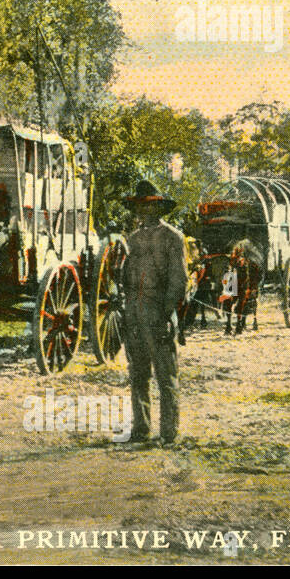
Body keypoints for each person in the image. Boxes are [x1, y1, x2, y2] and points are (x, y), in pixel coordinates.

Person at [120, 180, 188, 445]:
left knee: (166, 375)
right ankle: (141, 429)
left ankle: (169, 433)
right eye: (140, 206)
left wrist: (166, 313)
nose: (145, 211)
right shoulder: (133, 240)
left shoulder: (173, 237)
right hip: (133, 314)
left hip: (158, 313)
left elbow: (178, 281)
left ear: (159, 207)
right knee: (138, 374)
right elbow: (124, 277)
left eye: (150, 205)